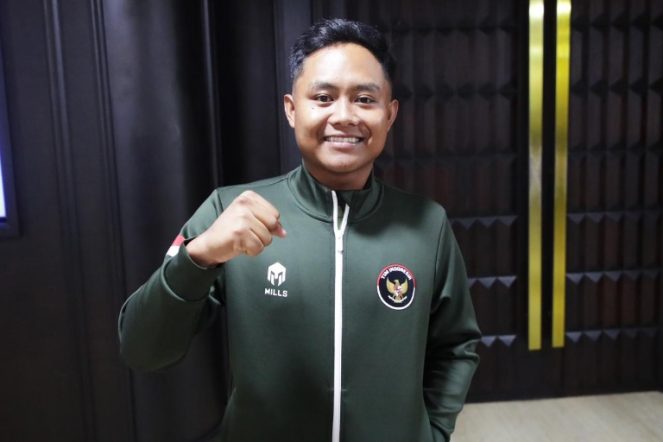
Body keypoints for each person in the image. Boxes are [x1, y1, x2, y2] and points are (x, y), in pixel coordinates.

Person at [118, 18, 480, 442]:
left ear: (390, 114)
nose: (343, 116)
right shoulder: (228, 211)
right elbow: (142, 349)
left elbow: (456, 345)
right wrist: (199, 255)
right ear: (292, 109)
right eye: (323, 97)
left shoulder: (426, 224)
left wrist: (432, 432)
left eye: (365, 99)